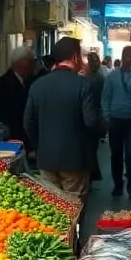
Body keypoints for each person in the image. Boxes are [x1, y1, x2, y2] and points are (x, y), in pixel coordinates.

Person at [24, 36, 98, 200]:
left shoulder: (38, 85)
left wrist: (39, 146)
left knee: (53, 208)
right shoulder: (83, 85)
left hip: (46, 159)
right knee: (73, 207)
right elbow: (91, 121)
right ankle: (77, 227)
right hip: (74, 160)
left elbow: (28, 122)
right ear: (74, 57)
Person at [101, 45, 131, 197]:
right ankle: (118, 185)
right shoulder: (112, 77)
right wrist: (107, 117)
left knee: (130, 154)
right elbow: (105, 98)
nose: (130, 58)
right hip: (115, 121)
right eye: (128, 55)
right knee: (116, 154)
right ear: (122, 56)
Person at [0, 46, 36, 147]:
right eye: (30, 61)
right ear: (22, 62)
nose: (33, 65)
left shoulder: (28, 81)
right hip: (13, 136)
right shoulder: (3, 84)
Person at [85, 53, 106, 182]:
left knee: (90, 147)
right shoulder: (99, 77)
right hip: (97, 116)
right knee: (92, 147)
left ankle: (92, 174)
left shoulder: (92, 79)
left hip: (92, 115)